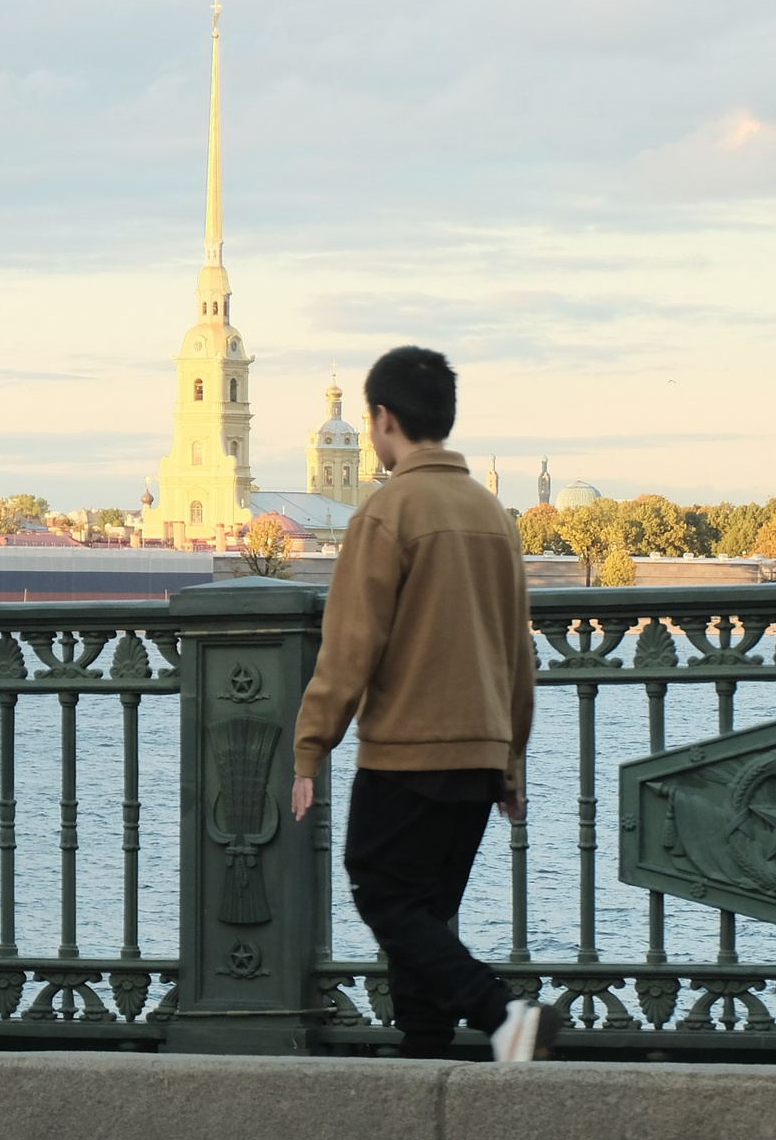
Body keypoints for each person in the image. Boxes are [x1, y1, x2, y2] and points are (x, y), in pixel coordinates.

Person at [287, 346, 553, 1062]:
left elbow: (350, 647)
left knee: (385, 898)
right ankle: (425, 1054)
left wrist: (312, 744)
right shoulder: (495, 515)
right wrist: (511, 762)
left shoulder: (387, 512)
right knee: (426, 915)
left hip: (407, 750)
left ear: (382, 420)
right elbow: (515, 654)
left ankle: (503, 1015)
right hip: (480, 753)